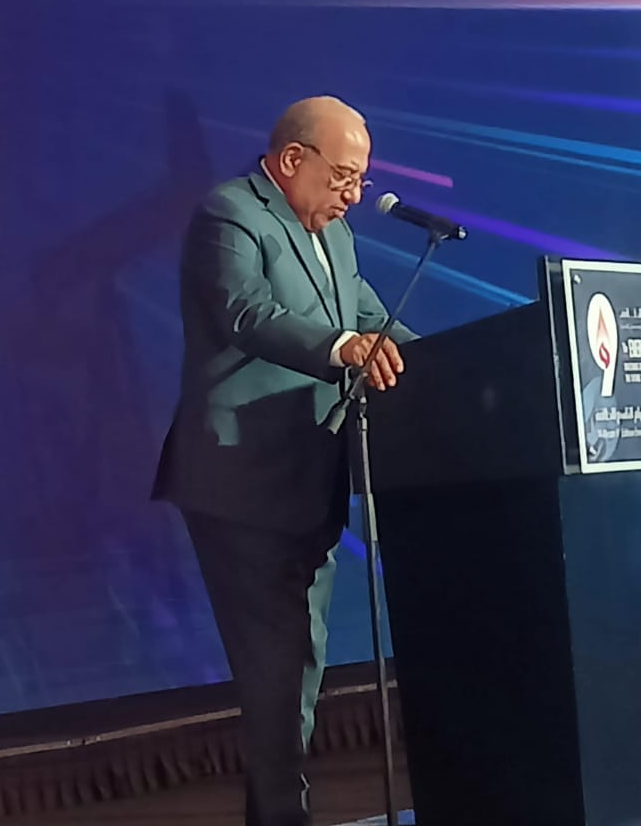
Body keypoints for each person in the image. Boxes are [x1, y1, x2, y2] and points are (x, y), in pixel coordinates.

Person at [153, 96, 415, 826]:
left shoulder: (336, 236)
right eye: (343, 176)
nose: (353, 195)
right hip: (239, 479)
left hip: (308, 480)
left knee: (299, 663)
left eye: (360, 180)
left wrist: (459, 367)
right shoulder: (230, 214)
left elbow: (373, 320)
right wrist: (339, 348)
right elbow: (247, 312)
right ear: (293, 159)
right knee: (275, 666)